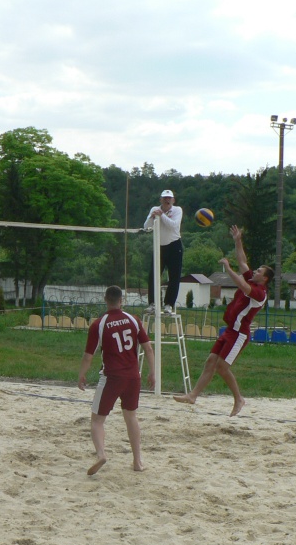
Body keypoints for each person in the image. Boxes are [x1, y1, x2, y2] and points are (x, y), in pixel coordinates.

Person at [174, 225, 272, 416]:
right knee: (211, 361)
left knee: (222, 367)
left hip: (239, 334)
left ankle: (239, 399)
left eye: (259, 271)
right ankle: (193, 395)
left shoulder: (259, 293)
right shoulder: (252, 280)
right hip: (229, 330)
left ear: (265, 278)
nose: (255, 271)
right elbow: (242, 261)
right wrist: (237, 240)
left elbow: (241, 284)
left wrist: (228, 269)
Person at [78, 285, 156, 476]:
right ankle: (137, 461)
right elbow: (148, 348)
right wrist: (152, 372)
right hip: (133, 377)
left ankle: (101, 454)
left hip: (112, 377)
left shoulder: (99, 324)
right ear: (122, 300)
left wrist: (82, 374)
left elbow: (88, 356)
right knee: (131, 417)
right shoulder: (134, 319)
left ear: (105, 299)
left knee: (97, 420)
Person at [142, 189, 183, 315]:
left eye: (169, 198)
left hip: (174, 245)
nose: (167, 200)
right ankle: (153, 303)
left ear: (173, 200)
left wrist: (162, 215)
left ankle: (169, 304)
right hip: (159, 246)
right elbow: (146, 227)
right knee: (153, 275)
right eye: (165, 198)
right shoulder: (155, 209)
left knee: (174, 276)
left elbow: (173, 225)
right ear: (160, 200)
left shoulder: (177, 210)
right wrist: (152, 216)